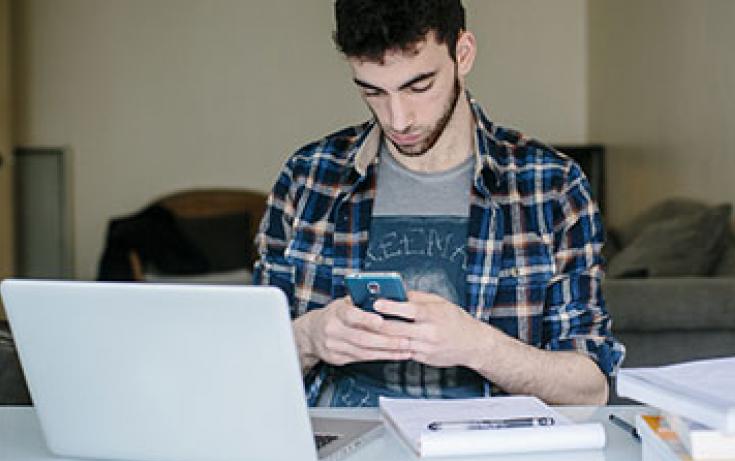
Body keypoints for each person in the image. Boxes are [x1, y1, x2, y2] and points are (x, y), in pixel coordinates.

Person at [253, 0, 624, 407]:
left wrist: (479, 347)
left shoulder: (552, 186)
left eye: (418, 86)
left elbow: (592, 389)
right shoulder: (307, 177)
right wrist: (308, 338)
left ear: (462, 54)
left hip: (482, 450)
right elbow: (242, 370)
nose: (398, 119)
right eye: (373, 91)